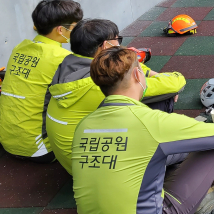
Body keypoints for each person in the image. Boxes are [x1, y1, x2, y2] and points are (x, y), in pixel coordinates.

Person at [72, 47, 214, 214]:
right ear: (138, 75)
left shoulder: (83, 125)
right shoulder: (152, 122)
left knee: (155, 153)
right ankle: (202, 200)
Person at [46, 19, 187, 173]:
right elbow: (174, 83)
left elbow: (132, 69)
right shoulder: (103, 79)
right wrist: (166, 82)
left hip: (78, 163)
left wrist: (151, 73)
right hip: (104, 169)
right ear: (106, 46)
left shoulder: (68, 68)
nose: (120, 46)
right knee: (185, 143)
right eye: (118, 41)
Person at [0, 0, 83, 163]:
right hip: (40, 150)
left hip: (7, 142)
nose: (79, 31)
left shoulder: (19, 48)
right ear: (61, 30)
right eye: (76, 27)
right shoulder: (64, 59)